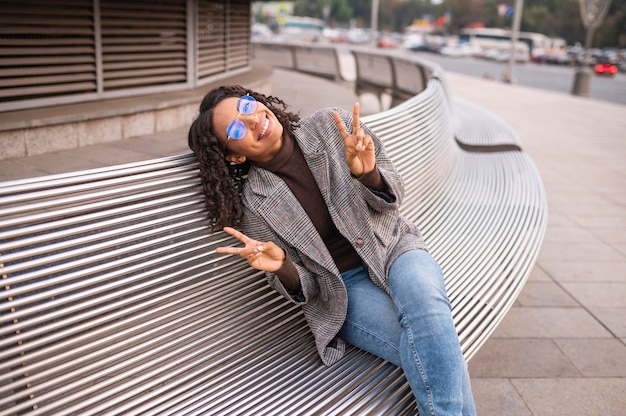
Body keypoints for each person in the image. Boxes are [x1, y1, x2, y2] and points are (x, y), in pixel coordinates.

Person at [188, 85, 476, 416]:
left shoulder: (330, 126)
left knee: (428, 311)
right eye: (237, 128)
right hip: (343, 288)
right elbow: (307, 288)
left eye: (247, 106)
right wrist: (282, 266)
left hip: (393, 247)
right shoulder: (255, 202)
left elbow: (393, 194)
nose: (253, 120)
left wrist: (368, 173)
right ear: (234, 156)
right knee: (435, 347)